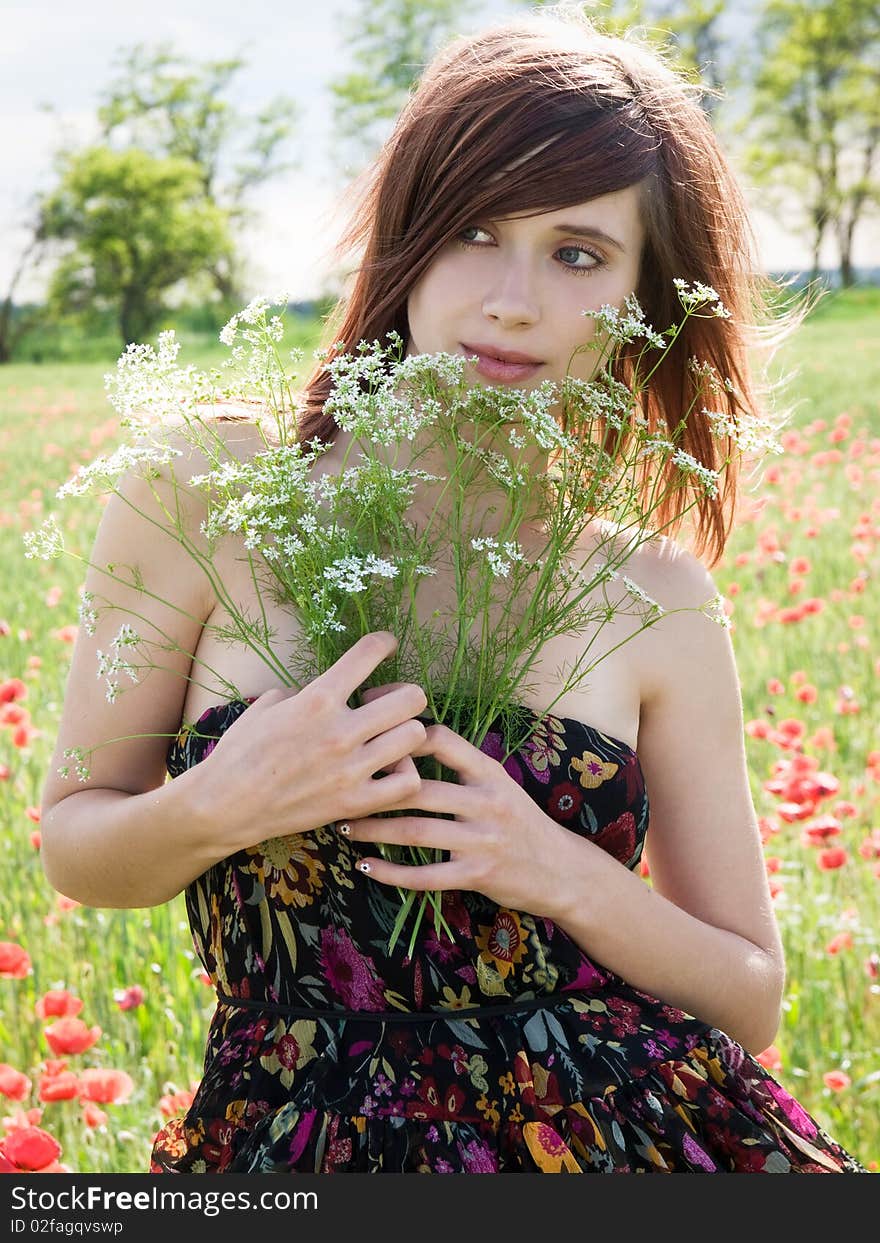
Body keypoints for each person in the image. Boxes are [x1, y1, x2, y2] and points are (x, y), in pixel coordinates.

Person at [39, 6, 867, 1174]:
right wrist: (223, 802)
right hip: (295, 1142)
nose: (513, 298)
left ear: (642, 294)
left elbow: (750, 995)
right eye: (475, 230)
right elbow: (76, 843)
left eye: (578, 253)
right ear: (407, 236)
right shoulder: (204, 490)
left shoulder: (654, 592)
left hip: (636, 1134)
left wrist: (555, 867)